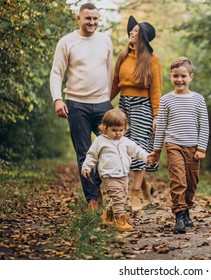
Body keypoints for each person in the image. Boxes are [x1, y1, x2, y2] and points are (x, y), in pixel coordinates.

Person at [50, 3, 113, 211]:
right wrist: (57, 99)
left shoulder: (105, 40)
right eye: (88, 19)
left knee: (111, 149)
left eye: (95, 19)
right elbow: (57, 72)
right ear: (79, 18)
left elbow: (109, 71)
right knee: (84, 153)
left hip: (103, 103)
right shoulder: (67, 41)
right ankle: (92, 199)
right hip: (77, 105)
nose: (92, 22)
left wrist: (108, 98)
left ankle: (107, 189)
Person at [150, 57, 209, 234]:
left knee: (191, 182)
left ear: (191, 76)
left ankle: (186, 209)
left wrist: (201, 148)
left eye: (183, 76)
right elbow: (160, 127)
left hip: (193, 148)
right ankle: (179, 216)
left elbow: (204, 125)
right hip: (173, 145)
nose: (179, 80)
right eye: (175, 76)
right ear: (170, 76)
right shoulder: (166, 100)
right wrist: (157, 150)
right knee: (178, 181)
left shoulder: (198, 100)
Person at [111, 15, 162, 211]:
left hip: (143, 106)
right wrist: (103, 102)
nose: (131, 32)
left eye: (135, 31)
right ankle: (145, 188)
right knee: (124, 148)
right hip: (124, 104)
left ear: (143, 38)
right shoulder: (123, 57)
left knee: (138, 149)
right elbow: (115, 85)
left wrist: (156, 116)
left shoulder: (153, 60)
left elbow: (156, 89)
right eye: (131, 30)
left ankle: (134, 197)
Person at [81, 109, 154, 231]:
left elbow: (137, 150)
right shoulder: (100, 141)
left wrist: (147, 157)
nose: (118, 133)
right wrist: (86, 167)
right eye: (114, 130)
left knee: (121, 196)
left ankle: (107, 215)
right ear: (104, 128)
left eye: (121, 130)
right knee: (118, 197)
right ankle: (120, 220)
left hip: (123, 175)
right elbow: (91, 155)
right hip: (109, 175)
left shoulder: (125, 141)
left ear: (125, 128)